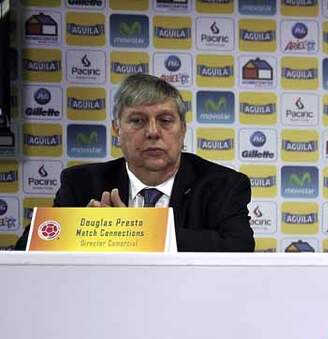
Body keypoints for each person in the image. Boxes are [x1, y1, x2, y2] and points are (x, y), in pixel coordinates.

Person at [16, 74, 254, 252]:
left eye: (165, 120)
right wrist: (80, 229)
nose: (152, 132)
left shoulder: (223, 185)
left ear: (182, 129)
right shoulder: (81, 183)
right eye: (137, 120)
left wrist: (133, 230)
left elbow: (239, 247)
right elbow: (26, 251)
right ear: (116, 129)